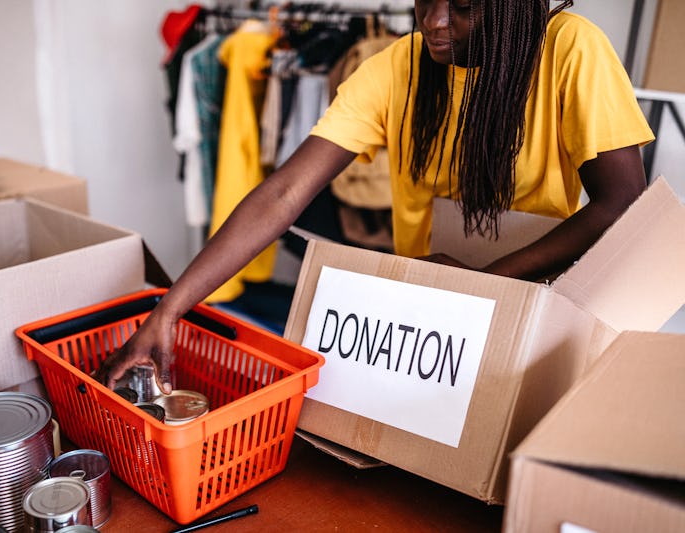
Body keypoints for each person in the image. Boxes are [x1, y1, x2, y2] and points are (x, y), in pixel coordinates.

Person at [95, 0, 654, 394]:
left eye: (462, 5)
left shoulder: (571, 49)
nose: (434, 21)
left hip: (529, 307)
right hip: (425, 312)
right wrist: (169, 309)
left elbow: (623, 200)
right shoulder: (397, 65)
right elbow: (286, 191)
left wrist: (487, 283)